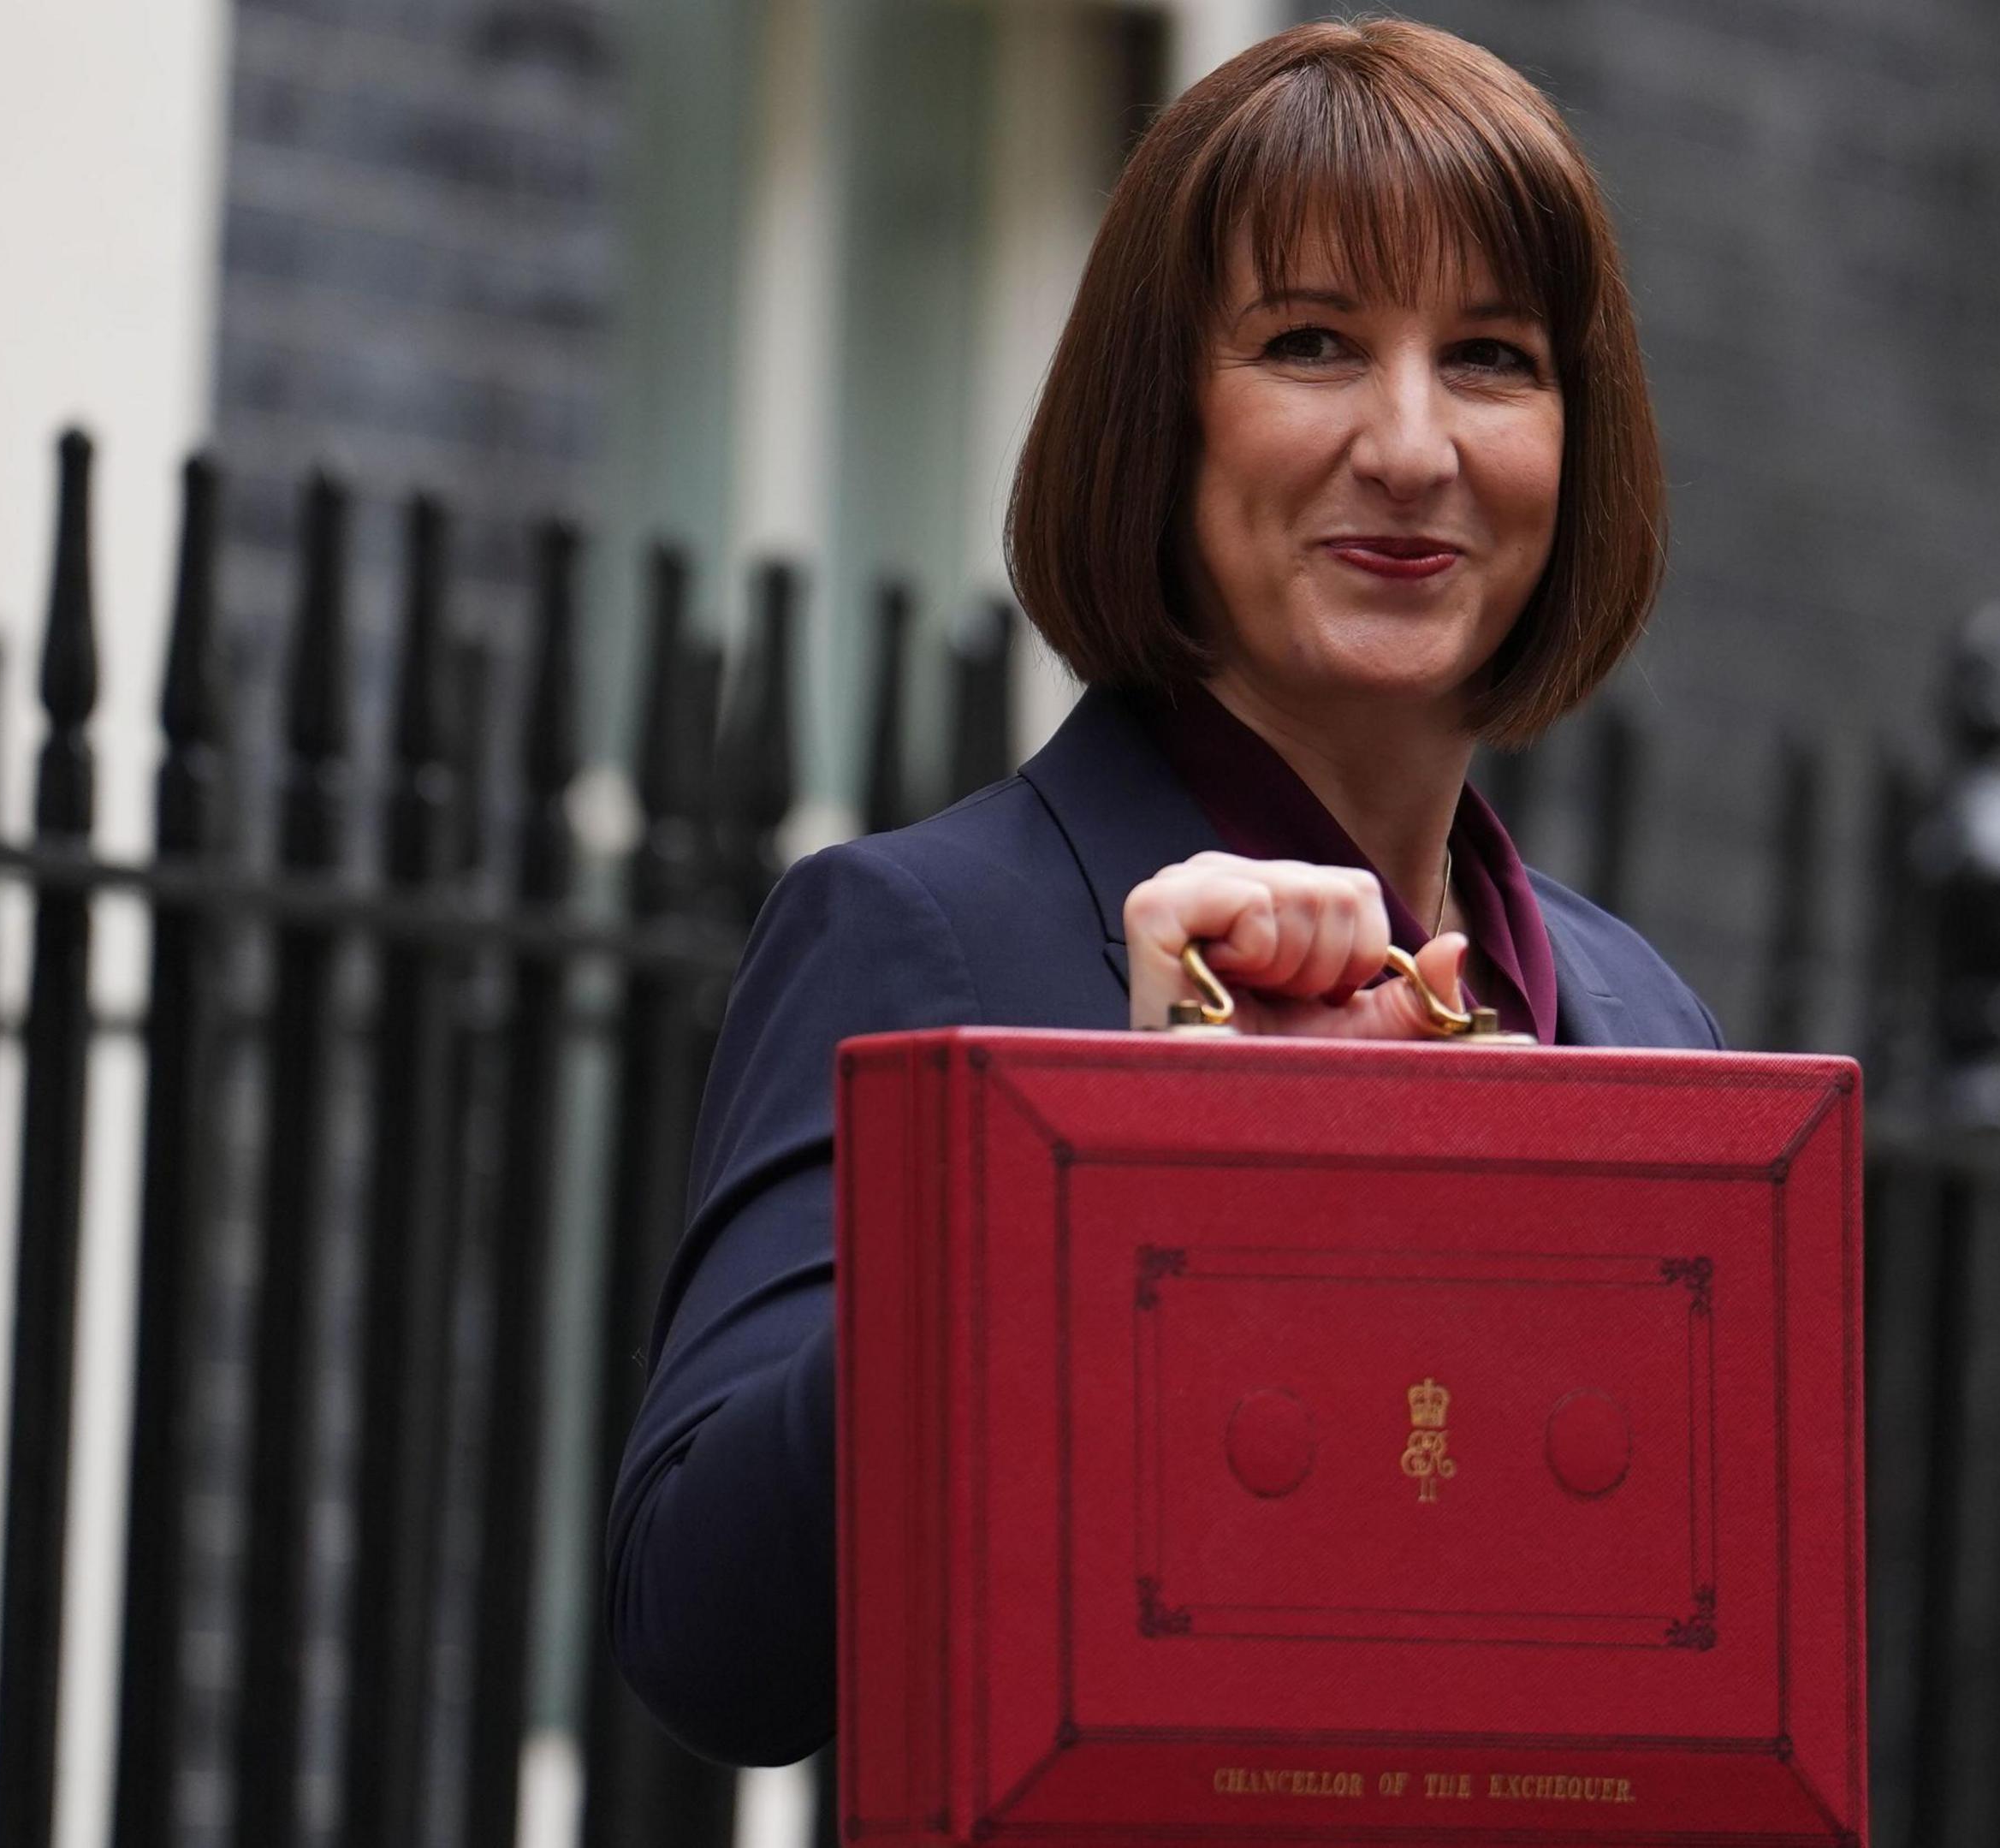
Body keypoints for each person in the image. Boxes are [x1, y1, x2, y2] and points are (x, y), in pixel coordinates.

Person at [607, 16, 1723, 1767]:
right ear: (1162, 418)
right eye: (1310, 343)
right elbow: (704, 1636)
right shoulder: (921, 933)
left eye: (1494, 357)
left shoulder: (1647, 1022)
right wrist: (1118, 1148)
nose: (1414, 445)